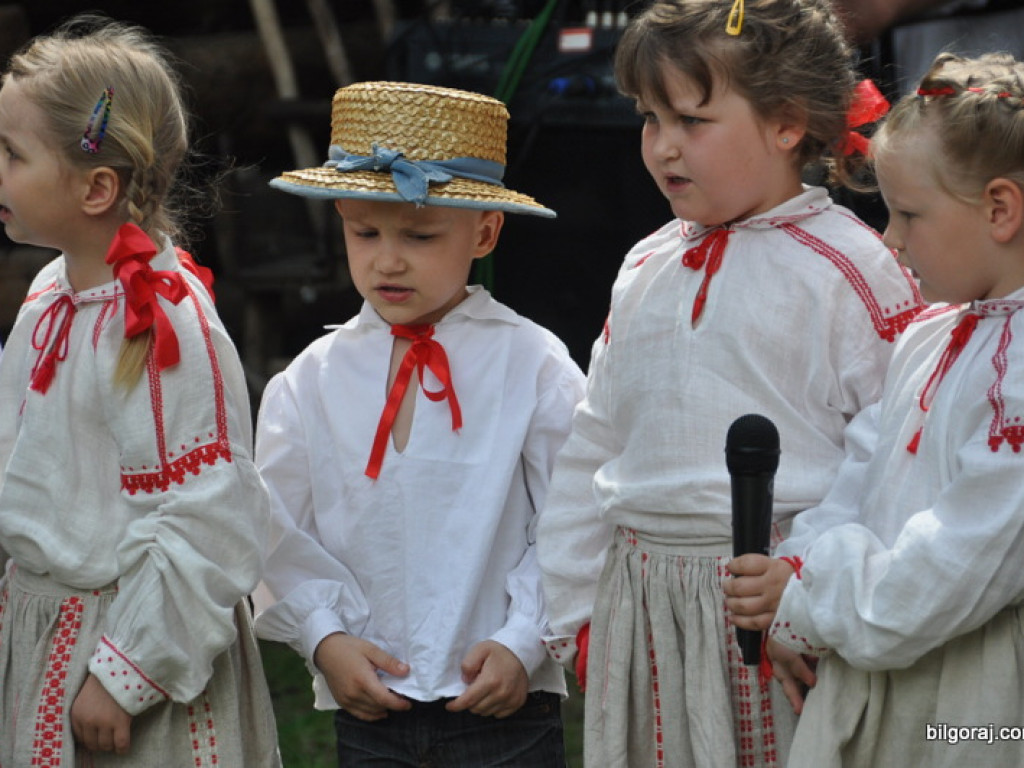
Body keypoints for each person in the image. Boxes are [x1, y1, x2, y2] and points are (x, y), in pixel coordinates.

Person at [535, 1, 926, 766]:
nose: (663, 147)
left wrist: (812, 593)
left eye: (692, 120)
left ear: (786, 124)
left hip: (773, 602)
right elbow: (596, 439)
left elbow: (894, 456)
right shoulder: (644, 266)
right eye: (650, 119)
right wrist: (577, 612)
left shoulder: (851, 269)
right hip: (643, 605)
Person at [251, 80, 586, 767]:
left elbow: (578, 516)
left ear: (484, 231)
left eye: (420, 235)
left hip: (503, 705)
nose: (388, 259)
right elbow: (275, 527)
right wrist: (324, 638)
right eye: (364, 232)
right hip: (369, 703)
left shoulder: (533, 364)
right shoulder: (311, 380)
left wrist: (526, 637)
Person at [0, 16, 281, 767]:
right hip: (41, 632)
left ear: (96, 187)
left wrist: (127, 675)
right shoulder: (51, 293)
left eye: (12, 153)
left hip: (127, 661)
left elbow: (213, 519)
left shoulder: (162, 323)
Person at [739, 51, 1024, 766]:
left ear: (999, 208)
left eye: (909, 214)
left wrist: (808, 600)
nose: (891, 239)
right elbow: (858, 480)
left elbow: (959, 560)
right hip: (876, 658)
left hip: (980, 700)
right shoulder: (929, 334)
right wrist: (794, 573)